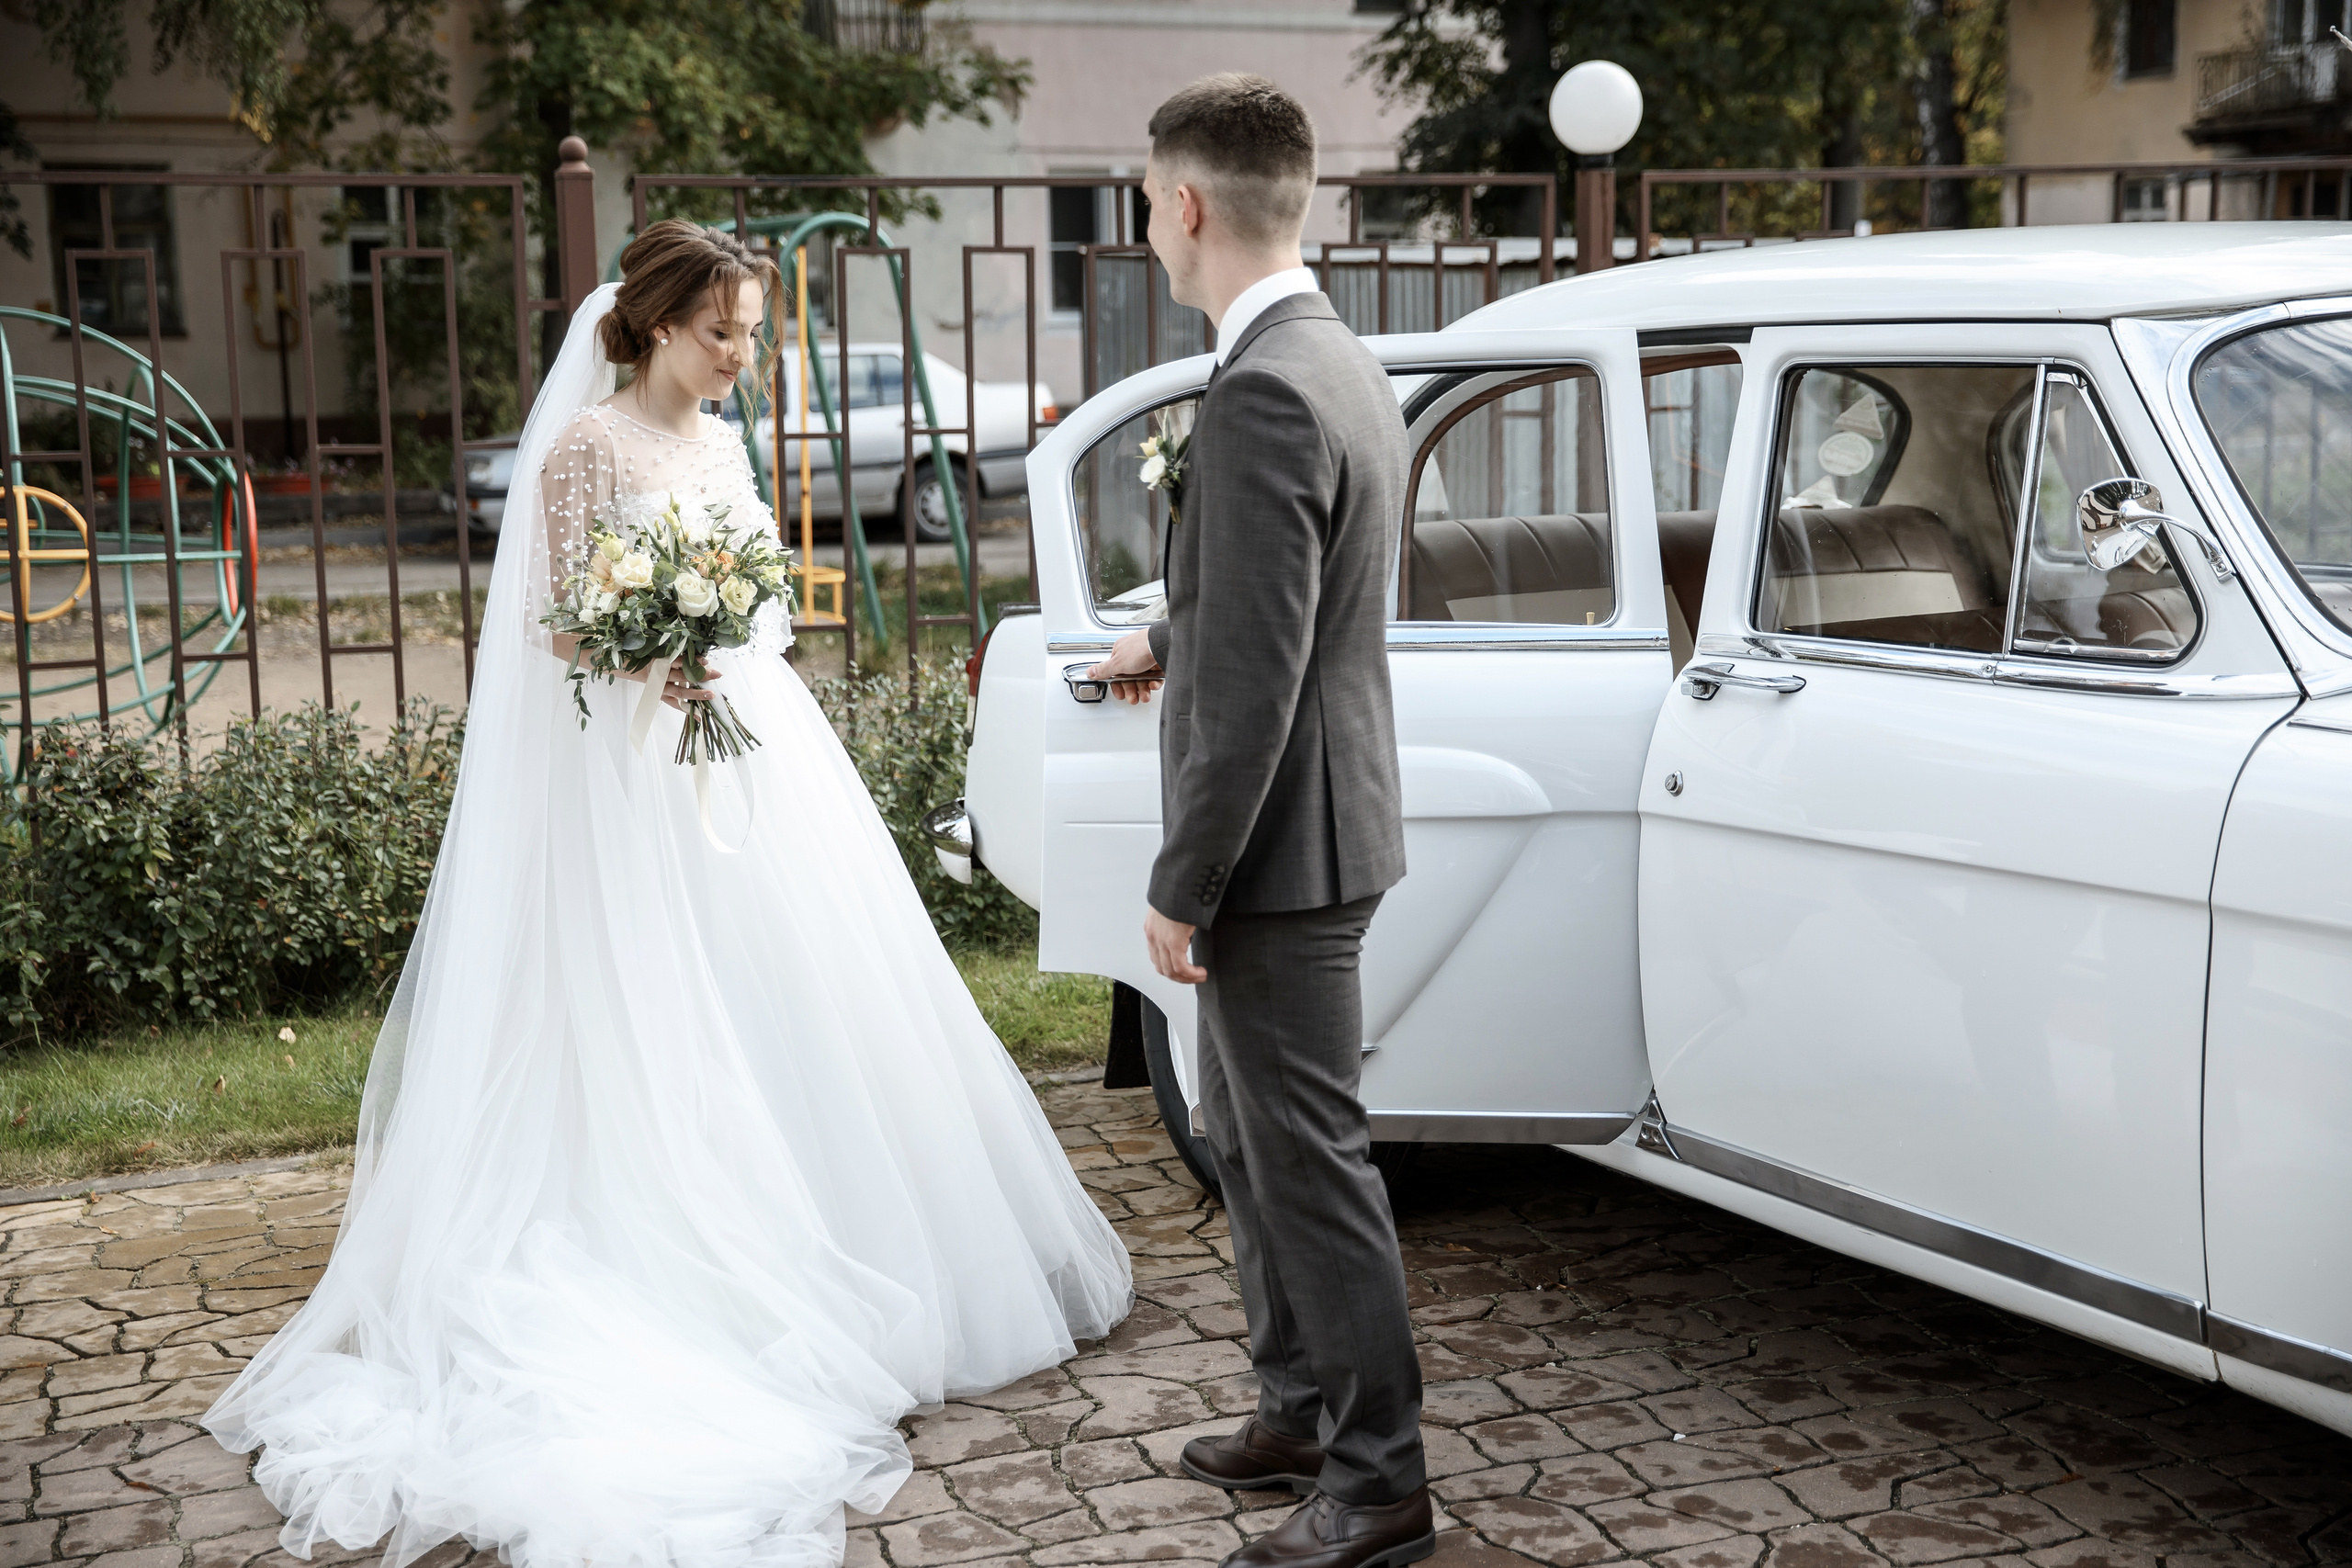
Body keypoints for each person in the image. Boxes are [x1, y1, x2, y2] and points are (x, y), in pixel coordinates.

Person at [203, 220, 1133, 1568]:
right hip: (627, 770)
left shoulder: (719, 437)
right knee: (654, 996)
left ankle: (852, 1225)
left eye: (752, 332)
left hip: (753, 744)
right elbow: (556, 623)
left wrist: (728, 630)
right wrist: (658, 652)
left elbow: (761, 586)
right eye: (721, 333)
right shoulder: (587, 447)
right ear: (649, 326)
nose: (742, 357)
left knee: (805, 977)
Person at [1086, 73, 1429, 1568]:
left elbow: (1260, 683)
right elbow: (1285, 595)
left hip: (1282, 854)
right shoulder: (1331, 355)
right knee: (1249, 1136)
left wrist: (1185, 879)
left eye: (1146, 205)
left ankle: (1380, 1484)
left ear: (1182, 205)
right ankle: (1294, 1403)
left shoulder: (1268, 386)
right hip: (1323, 829)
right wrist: (1170, 628)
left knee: (1308, 1157)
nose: (1150, 230)